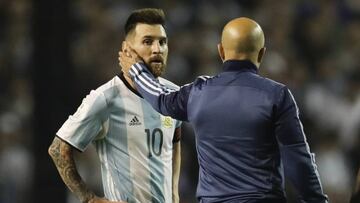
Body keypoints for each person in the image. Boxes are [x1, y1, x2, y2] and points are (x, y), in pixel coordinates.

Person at [120, 17, 329, 203]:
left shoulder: (198, 93)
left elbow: (161, 98)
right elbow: (297, 159)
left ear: (221, 51)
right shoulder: (277, 95)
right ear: (262, 53)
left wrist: (137, 70)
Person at [48, 8, 182, 203]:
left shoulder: (172, 93)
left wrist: (174, 193)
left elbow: (175, 141)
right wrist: (89, 199)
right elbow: (57, 149)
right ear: (127, 49)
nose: (157, 49)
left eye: (162, 42)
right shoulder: (106, 98)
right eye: (147, 41)